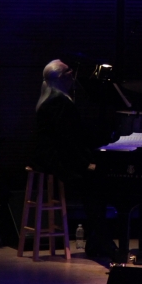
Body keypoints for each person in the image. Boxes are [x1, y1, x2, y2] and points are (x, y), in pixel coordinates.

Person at [33, 60, 119, 260]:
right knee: (95, 183)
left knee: (95, 183)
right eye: (70, 72)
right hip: (56, 160)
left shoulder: (52, 99)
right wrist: (86, 163)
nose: (73, 75)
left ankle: (97, 240)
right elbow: (68, 142)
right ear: (62, 78)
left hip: (54, 156)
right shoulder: (59, 102)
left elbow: (71, 138)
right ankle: (101, 242)